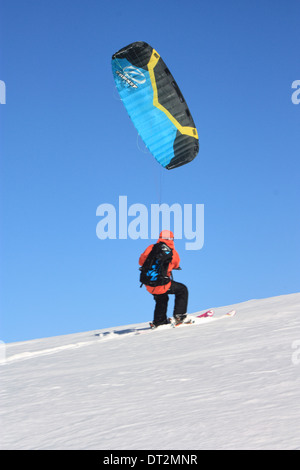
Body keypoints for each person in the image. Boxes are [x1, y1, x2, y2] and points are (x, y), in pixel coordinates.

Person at [139, 230, 189, 327]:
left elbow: (141, 262)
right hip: (163, 284)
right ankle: (179, 316)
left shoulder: (151, 248)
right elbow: (176, 263)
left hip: (149, 284)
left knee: (161, 298)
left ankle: (159, 321)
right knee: (182, 289)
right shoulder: (172, 251)